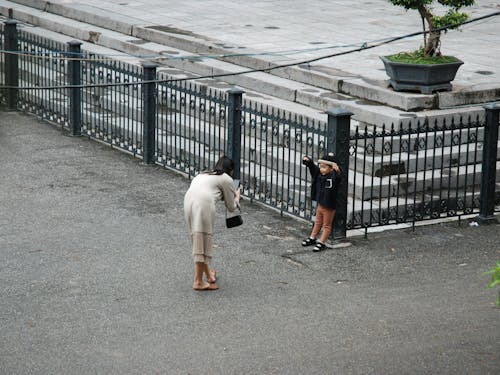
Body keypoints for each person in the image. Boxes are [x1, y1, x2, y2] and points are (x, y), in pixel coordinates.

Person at [183, 156, 241, 291]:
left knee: (198, 239)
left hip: (188, 201)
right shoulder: (226, 178)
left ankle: (208, 276)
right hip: (203, 204)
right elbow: (231, 207)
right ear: (230, 170)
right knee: (201, 242)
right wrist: (237, 197)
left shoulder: (203, 173)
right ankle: (198, 281)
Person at [301, 152, 340, 252]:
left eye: (324, 167)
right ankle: (312, 238)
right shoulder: (319, 175)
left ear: (331, 169)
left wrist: (336, 169)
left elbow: (339, 177)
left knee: (326, 225)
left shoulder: (333, 178)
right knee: (317, 222)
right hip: (320, 204)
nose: (321, 169)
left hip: (329, 207)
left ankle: (322, 242)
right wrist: (308, 161)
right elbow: (313, 168)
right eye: (320, 166)